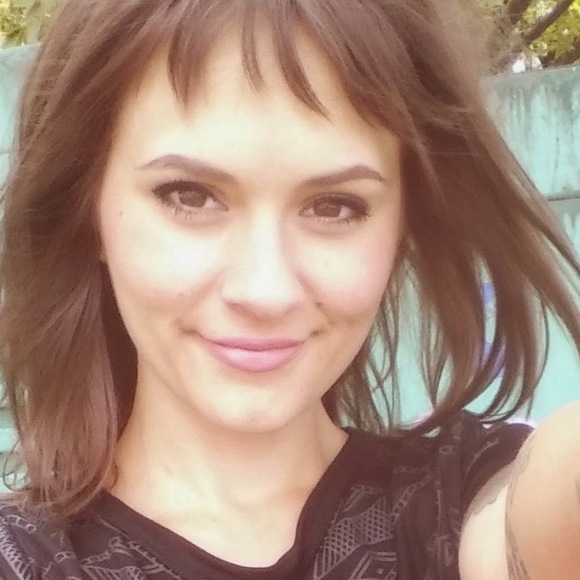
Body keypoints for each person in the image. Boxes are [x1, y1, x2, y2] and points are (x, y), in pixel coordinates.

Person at [0, 0, 578, 578]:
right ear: (89, 211)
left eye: (334, 206)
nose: (266, 291)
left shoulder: (461, 506)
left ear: (403, 225)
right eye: (189, 195)